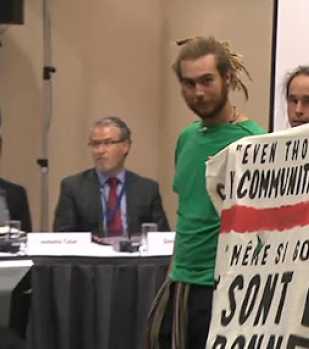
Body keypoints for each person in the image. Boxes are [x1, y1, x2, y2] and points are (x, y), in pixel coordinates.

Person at [145, 36, 266, 349]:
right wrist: (174, 271)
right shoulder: (187, 138)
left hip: (225, 288)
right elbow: (188, 210)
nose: (198, 92)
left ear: (227, 78)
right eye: (189, 83)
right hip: (181, 284)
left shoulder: (254, 143)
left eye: (207, 81)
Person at [53, 116, 170, 238]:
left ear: (126, 146)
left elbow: (161, 238)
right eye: (95, 144)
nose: (100, 150)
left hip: (134, 255)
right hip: (92, 255)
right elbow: (62, 237)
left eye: (108, 143)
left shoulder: (147, 189)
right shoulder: (73, 187)